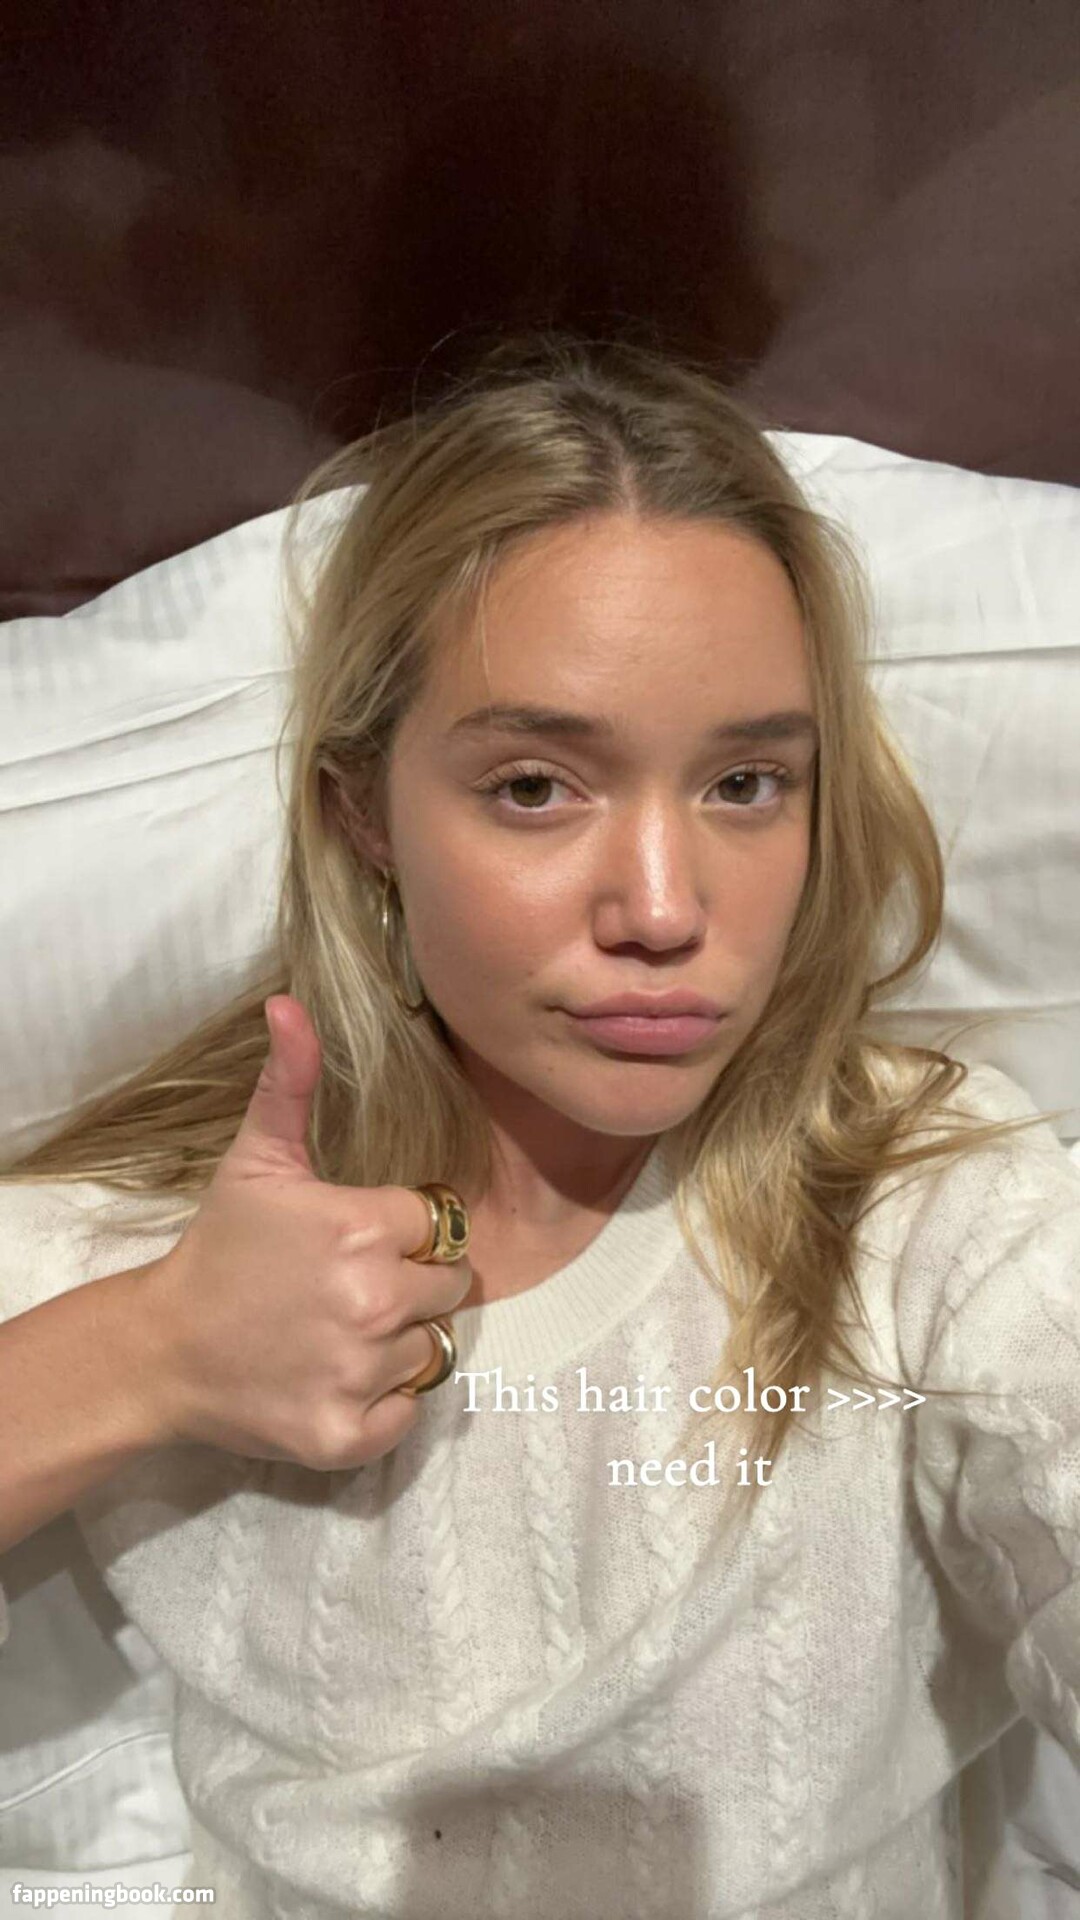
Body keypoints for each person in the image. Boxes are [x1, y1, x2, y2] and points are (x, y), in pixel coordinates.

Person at [1, 330, 1078, 1919]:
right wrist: (149, 1353)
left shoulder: (929, 1205)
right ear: (364, 812)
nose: (664, 908)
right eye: (534, 788)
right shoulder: (158, 1252)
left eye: (746, 786)